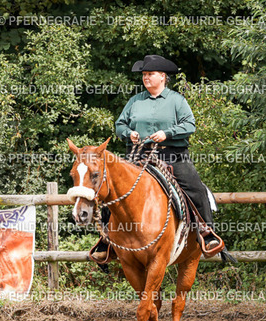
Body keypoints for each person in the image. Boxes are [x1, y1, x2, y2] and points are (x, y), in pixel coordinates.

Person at [91, 54, 228, 262]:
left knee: (196, 188)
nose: (146, 78)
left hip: (172, 155)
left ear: (163, 76)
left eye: (150, 74)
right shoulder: (135, 101)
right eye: (144, 74)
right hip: (138, 155)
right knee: (112, 187)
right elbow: (119, 125)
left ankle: (206, 232)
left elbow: (189, 125)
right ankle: (107, 240)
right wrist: (129, 133)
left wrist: (167, 133)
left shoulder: (177, 100)